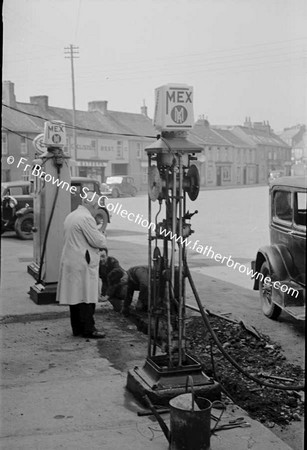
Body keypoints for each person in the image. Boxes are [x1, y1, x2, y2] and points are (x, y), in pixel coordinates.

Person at [56, 191, 107, 339]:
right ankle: (89, 329)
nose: (96, 210)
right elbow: (98, 241)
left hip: (72, 261)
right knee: (86, 297)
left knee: (75, 297)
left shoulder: (72, 215)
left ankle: (77, 328)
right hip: (82, 263)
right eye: (96, 206)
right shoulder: (86, 218)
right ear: (92, 205)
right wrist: (102, 234)